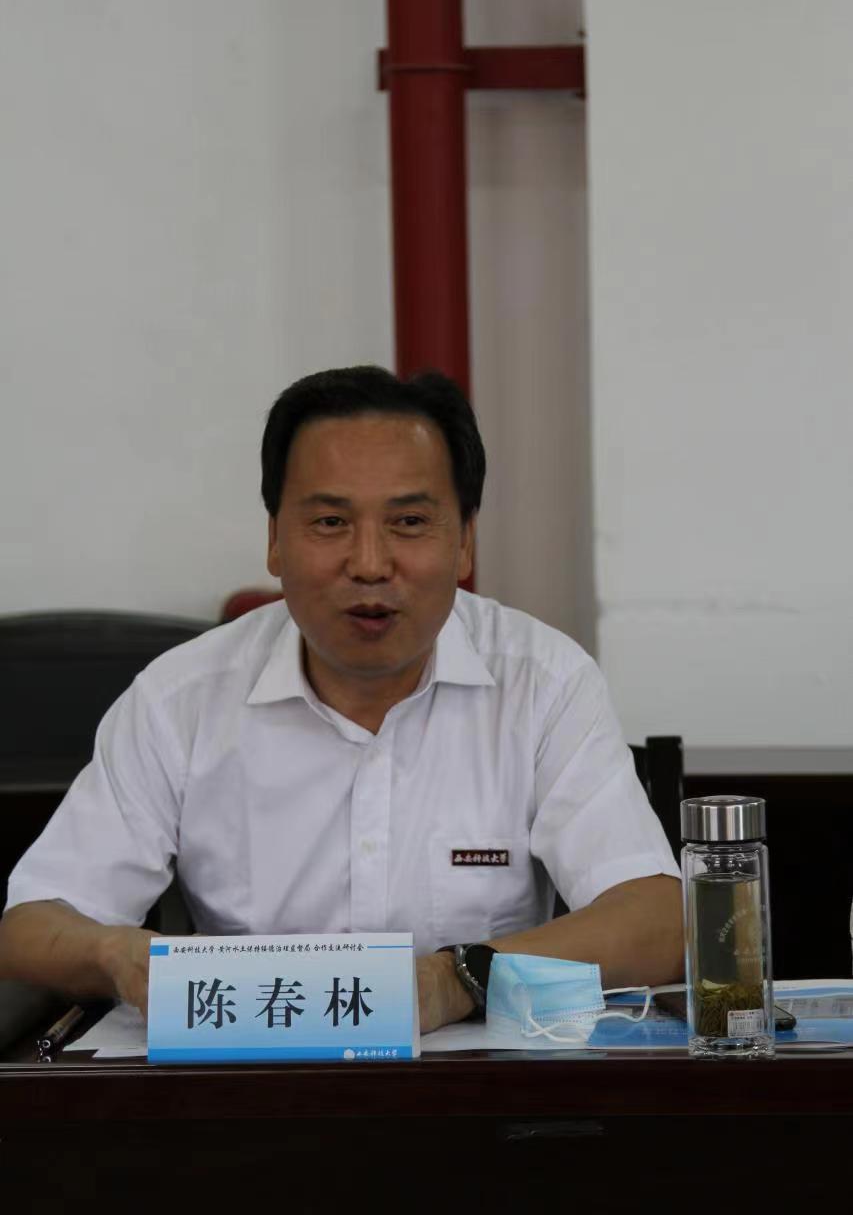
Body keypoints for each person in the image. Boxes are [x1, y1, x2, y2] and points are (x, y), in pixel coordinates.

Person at [0, 367, 682, 1033]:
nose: (369, 564)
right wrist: (116, 954)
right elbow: (31, 925)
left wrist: (455, 979)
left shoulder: (543, 681)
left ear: (465, 541)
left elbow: (657, 922)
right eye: (329, 522)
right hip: (249, 1079)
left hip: (475, 1090)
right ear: (275, 540)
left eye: (408, 522)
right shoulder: (180, 698)